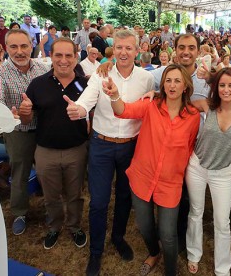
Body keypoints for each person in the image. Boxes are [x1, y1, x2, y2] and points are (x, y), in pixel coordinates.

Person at [68, 29, 155, 276]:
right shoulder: (101, 72)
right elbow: (88, 98)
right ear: (112, 49)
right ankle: (96, 251)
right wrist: (80, 109)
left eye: (129, 48)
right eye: (119, 47)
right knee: (99, 201)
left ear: (137, 51)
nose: (123, 52)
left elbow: (165, 90)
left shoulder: (146, 78)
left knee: (125, 197)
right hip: (102, 145)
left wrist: (155, 92)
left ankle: (117, 237)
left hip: (130, 146)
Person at [101, 64, 200, 276]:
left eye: (177, 81)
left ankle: (170, 272)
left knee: (168, 235)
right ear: (163, 84)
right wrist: (115, 95)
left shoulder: (193, 116)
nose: (172, 85)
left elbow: (189, 147)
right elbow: (123, 110)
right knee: (145, 227)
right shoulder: (151, 105)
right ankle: (154, 253)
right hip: (142, 178)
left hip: (170, 183)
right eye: (168, 80)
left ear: (185, 86)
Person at [21, 38, 89, 249]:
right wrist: (24, 113)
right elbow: (27, 118)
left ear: (76, 57)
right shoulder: (38, 84)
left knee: (74, 194)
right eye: (58, 55)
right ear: (51, 56)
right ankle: (55, 226)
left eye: (69, 55)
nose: (63, 60)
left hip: (76, 149)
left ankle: (75, 226)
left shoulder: (82, 83)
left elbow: (93, 110)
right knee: (51, 195)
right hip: (45, 151)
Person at [185, 68, 231, 276]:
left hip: (222, 174)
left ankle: (222, 268)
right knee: (196, 212)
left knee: (222, 222)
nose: (226, 89)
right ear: (216, 87)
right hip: (197, 167)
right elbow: (177, 103)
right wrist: (156, 94)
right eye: (222, 85)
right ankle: (193, 254)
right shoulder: (207, 106)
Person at [0, 29, 49, 235]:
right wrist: (4, 112)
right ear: (6, 49)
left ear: (32, 46)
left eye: (24, 46)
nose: (20, 51)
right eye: (14, 46)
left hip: (43, 130)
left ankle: (51, 208)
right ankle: (20, 212)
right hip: (17, 131)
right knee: (20, 173)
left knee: (47, 172)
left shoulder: (43, 69)